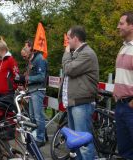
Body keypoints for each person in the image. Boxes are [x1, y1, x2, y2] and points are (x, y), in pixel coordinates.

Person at [59, 26, 99, 160]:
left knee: (84, 144)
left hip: (81, 104)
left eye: (68, 39)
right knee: (76, 142)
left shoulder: (87, 53)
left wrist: (66, 53)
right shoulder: (76, 53)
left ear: (75, 38)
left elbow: (69, 69)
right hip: (74, 103)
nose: (67, 42)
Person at [19, 41, 48, 147]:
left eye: (24, 56)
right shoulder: (31, 60)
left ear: (30, 51)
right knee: (32, 116)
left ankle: (41, 138)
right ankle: (37, 136)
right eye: (23, 57)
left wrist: (27, 78)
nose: (24, 58)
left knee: (38, 116)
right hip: (32, 90)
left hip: (38, 90)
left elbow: (41, 77)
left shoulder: (39, 59)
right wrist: (24, 82)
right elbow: (31, 75)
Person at [113, 11, 133, 159]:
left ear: (131, 26)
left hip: (130, 107)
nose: (117, 26)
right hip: (120, 106)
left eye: (121, 23)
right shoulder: (123, 47)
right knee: (124, 151)